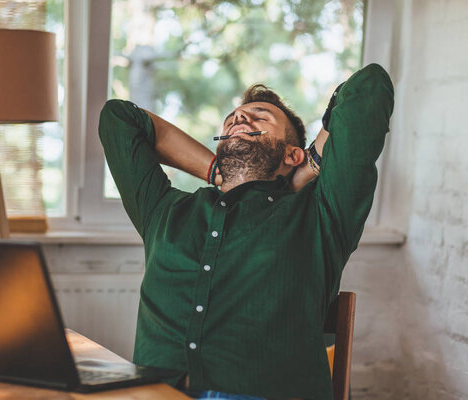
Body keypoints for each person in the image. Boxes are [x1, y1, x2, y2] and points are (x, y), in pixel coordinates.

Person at [98, 63, 394, 400]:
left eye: (260, 117)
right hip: (157, 393)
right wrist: (216, 173)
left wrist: (308, 165)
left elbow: (369, 89)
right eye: (232, 119)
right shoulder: (164, 210)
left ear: (291, 153)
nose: (239, 119)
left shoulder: (320, 215)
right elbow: (118, 118)